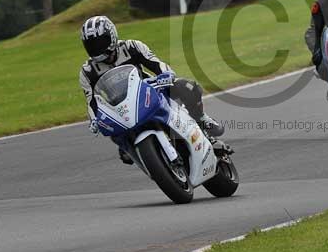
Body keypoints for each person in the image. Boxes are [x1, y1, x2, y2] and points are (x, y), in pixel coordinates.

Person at [79, 15, 226, 164]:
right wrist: (94, 120)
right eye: (91, 45)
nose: (96, 49)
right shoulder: (88, 71)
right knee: (117, 140)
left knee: (187, 86)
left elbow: (157, 64)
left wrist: (165, 75)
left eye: (99, 43)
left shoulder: (132, 47)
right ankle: (128, 147)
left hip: (148, 91)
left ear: (111, 36)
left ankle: (201, 120)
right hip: (120, 110)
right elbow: (91, 101)